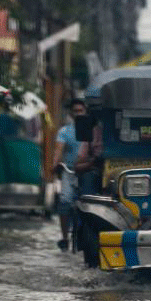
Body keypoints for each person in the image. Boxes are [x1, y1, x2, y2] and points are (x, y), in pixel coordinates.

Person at [53, 99, 86, 252]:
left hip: (86, 171)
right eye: (76, 110)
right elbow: (58, 150)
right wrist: (55, 165)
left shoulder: (90, 129)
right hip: (69, 170)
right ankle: (65, 237)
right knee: (64, 201)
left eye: (81, 110)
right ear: (71, 113)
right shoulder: (64, 131)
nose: (78, 113)